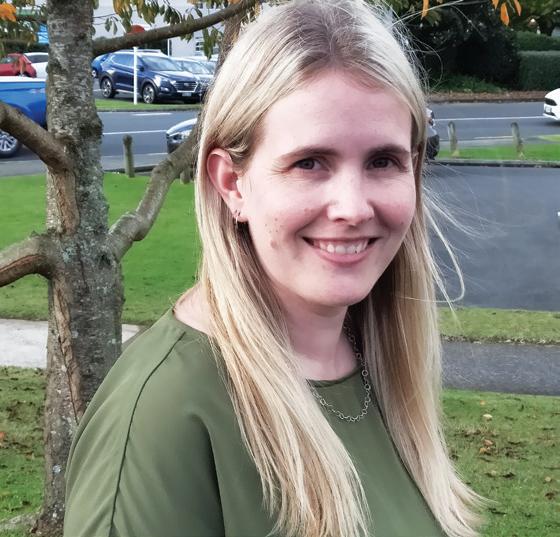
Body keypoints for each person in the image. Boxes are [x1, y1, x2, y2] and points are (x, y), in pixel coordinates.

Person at [63, 1, 483, 536]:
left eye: (383, 161)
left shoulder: (379, 359)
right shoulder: (160, 419)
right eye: (310, 162)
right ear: (231, 183)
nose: (353, 207)